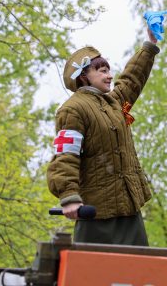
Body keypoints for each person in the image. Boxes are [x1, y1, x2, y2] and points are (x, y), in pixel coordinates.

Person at [47, 20, 161, 246]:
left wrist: (150, 44)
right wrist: (69, 197)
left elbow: (132, 78)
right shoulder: (73, 109)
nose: (109, 76)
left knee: (140, 276)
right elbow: (65, 157)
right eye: (102, 70)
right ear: (83, 75)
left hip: (130, 211)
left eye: (109, 70)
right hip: (96, 216)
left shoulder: (115, 102)